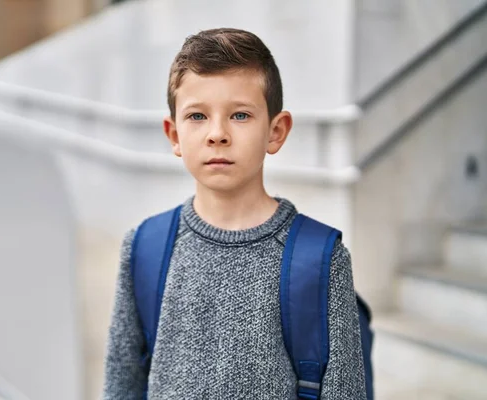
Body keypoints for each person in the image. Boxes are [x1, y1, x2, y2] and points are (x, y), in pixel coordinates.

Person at [102, 28, 366, 399]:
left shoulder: (321, 260)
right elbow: (121, 386)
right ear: (174, 134)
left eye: (240, 115)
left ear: (276, 131)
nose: (217, 134)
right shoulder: (144, 247)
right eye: (197, 116)